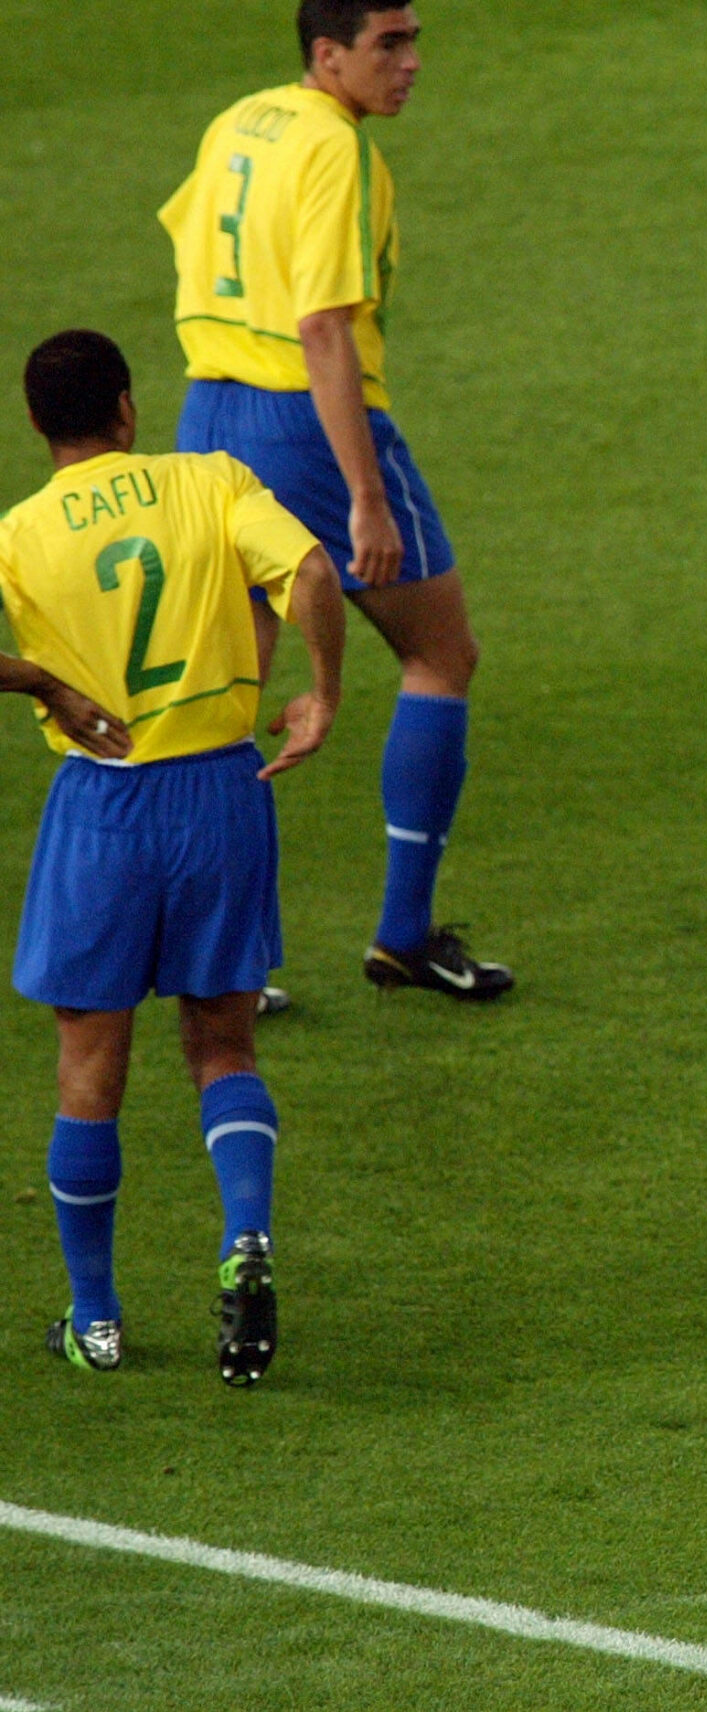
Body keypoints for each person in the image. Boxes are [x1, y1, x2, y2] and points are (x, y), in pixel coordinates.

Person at [0, 331, 344, 1382]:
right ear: (126, 407)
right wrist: (321, 695)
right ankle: (245, 1234)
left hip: (102, 802)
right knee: (225, 1048)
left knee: (89, 1064)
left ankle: (96, 1318)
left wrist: (46, 685)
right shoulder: (209, 479)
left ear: (34, 426)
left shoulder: (19, 533)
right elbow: (314, 571)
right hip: (219, 795)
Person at [158, 0, 511, 997]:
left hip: (209, 416)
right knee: (441, 653)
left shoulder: (240, 121)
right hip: (306, 419)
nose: (411, 65)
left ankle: (220, 964)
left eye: (414, 42)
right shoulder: (335, 150)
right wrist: (364, 492)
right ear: (328, 54)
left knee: (232, 690)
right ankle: (402, 931)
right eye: (387, 45)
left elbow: (194, 248)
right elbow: (322, 326)